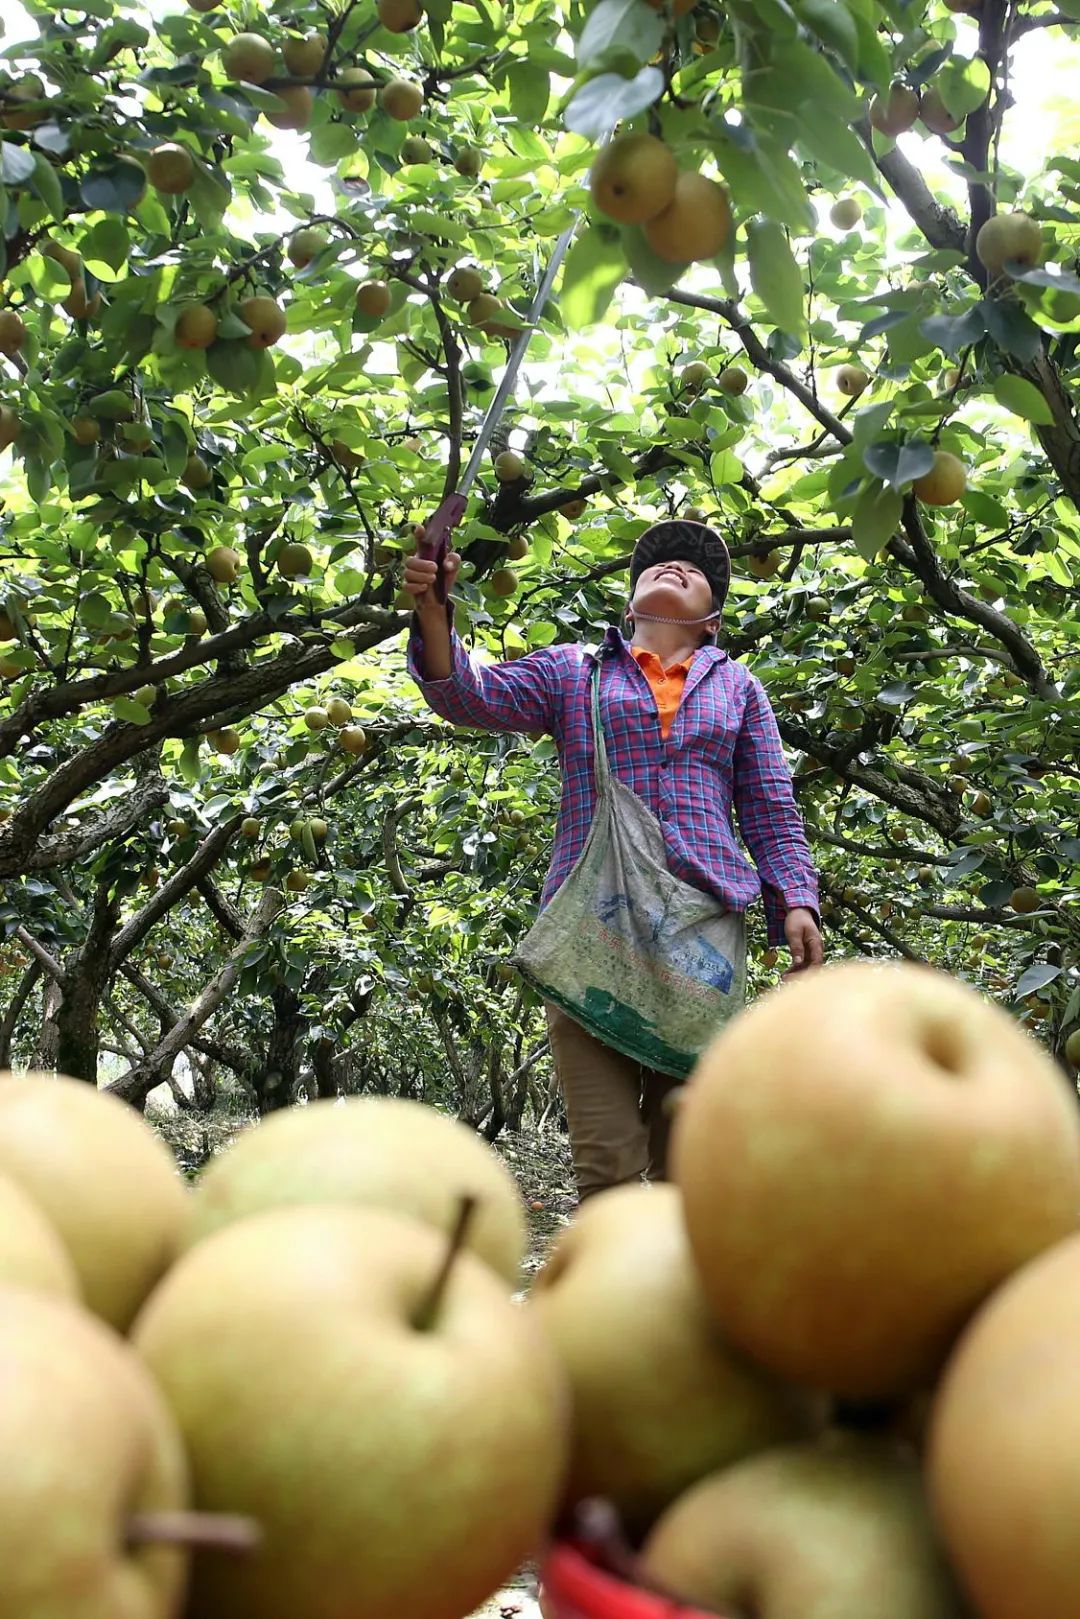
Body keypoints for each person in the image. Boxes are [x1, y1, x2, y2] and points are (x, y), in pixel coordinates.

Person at [404, 517, 823, 1200]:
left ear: (712, 621)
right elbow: (469, 695)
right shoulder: (575, 671)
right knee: (605, 1163)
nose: (678, 566)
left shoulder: (739, 688)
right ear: (629, 605)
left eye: (697, 570)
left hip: (698, 940)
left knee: (686, 1161)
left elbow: (770, 804)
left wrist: (796, 899)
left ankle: (676, 1302)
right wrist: (432, 610)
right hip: (594, 930)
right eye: (661, 564)